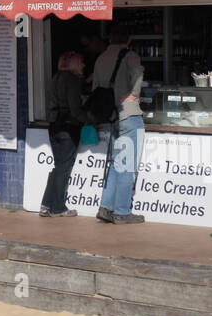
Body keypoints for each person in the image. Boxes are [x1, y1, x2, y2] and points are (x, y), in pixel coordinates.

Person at [94, 24, 145, 224]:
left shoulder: (100, 58)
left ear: (110, 39)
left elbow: (96, 88)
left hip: (111, 117)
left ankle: (106, 207)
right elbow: (139, 75)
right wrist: (134, 94)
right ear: (128, 39)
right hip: (129, 115)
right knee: (127, 164)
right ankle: (123, 211)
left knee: (115, 163)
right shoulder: (130, 56)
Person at [39, 51, 86, 218]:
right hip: (68, 127)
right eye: (80, 62)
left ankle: (46, 205)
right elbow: (75, 109)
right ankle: (58, 207)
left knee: (58, 166)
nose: (83, 65)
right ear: (72, 64)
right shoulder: (72, 81)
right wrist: (89, 120)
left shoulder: (55, 78)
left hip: (54, 125)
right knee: (63, 167)